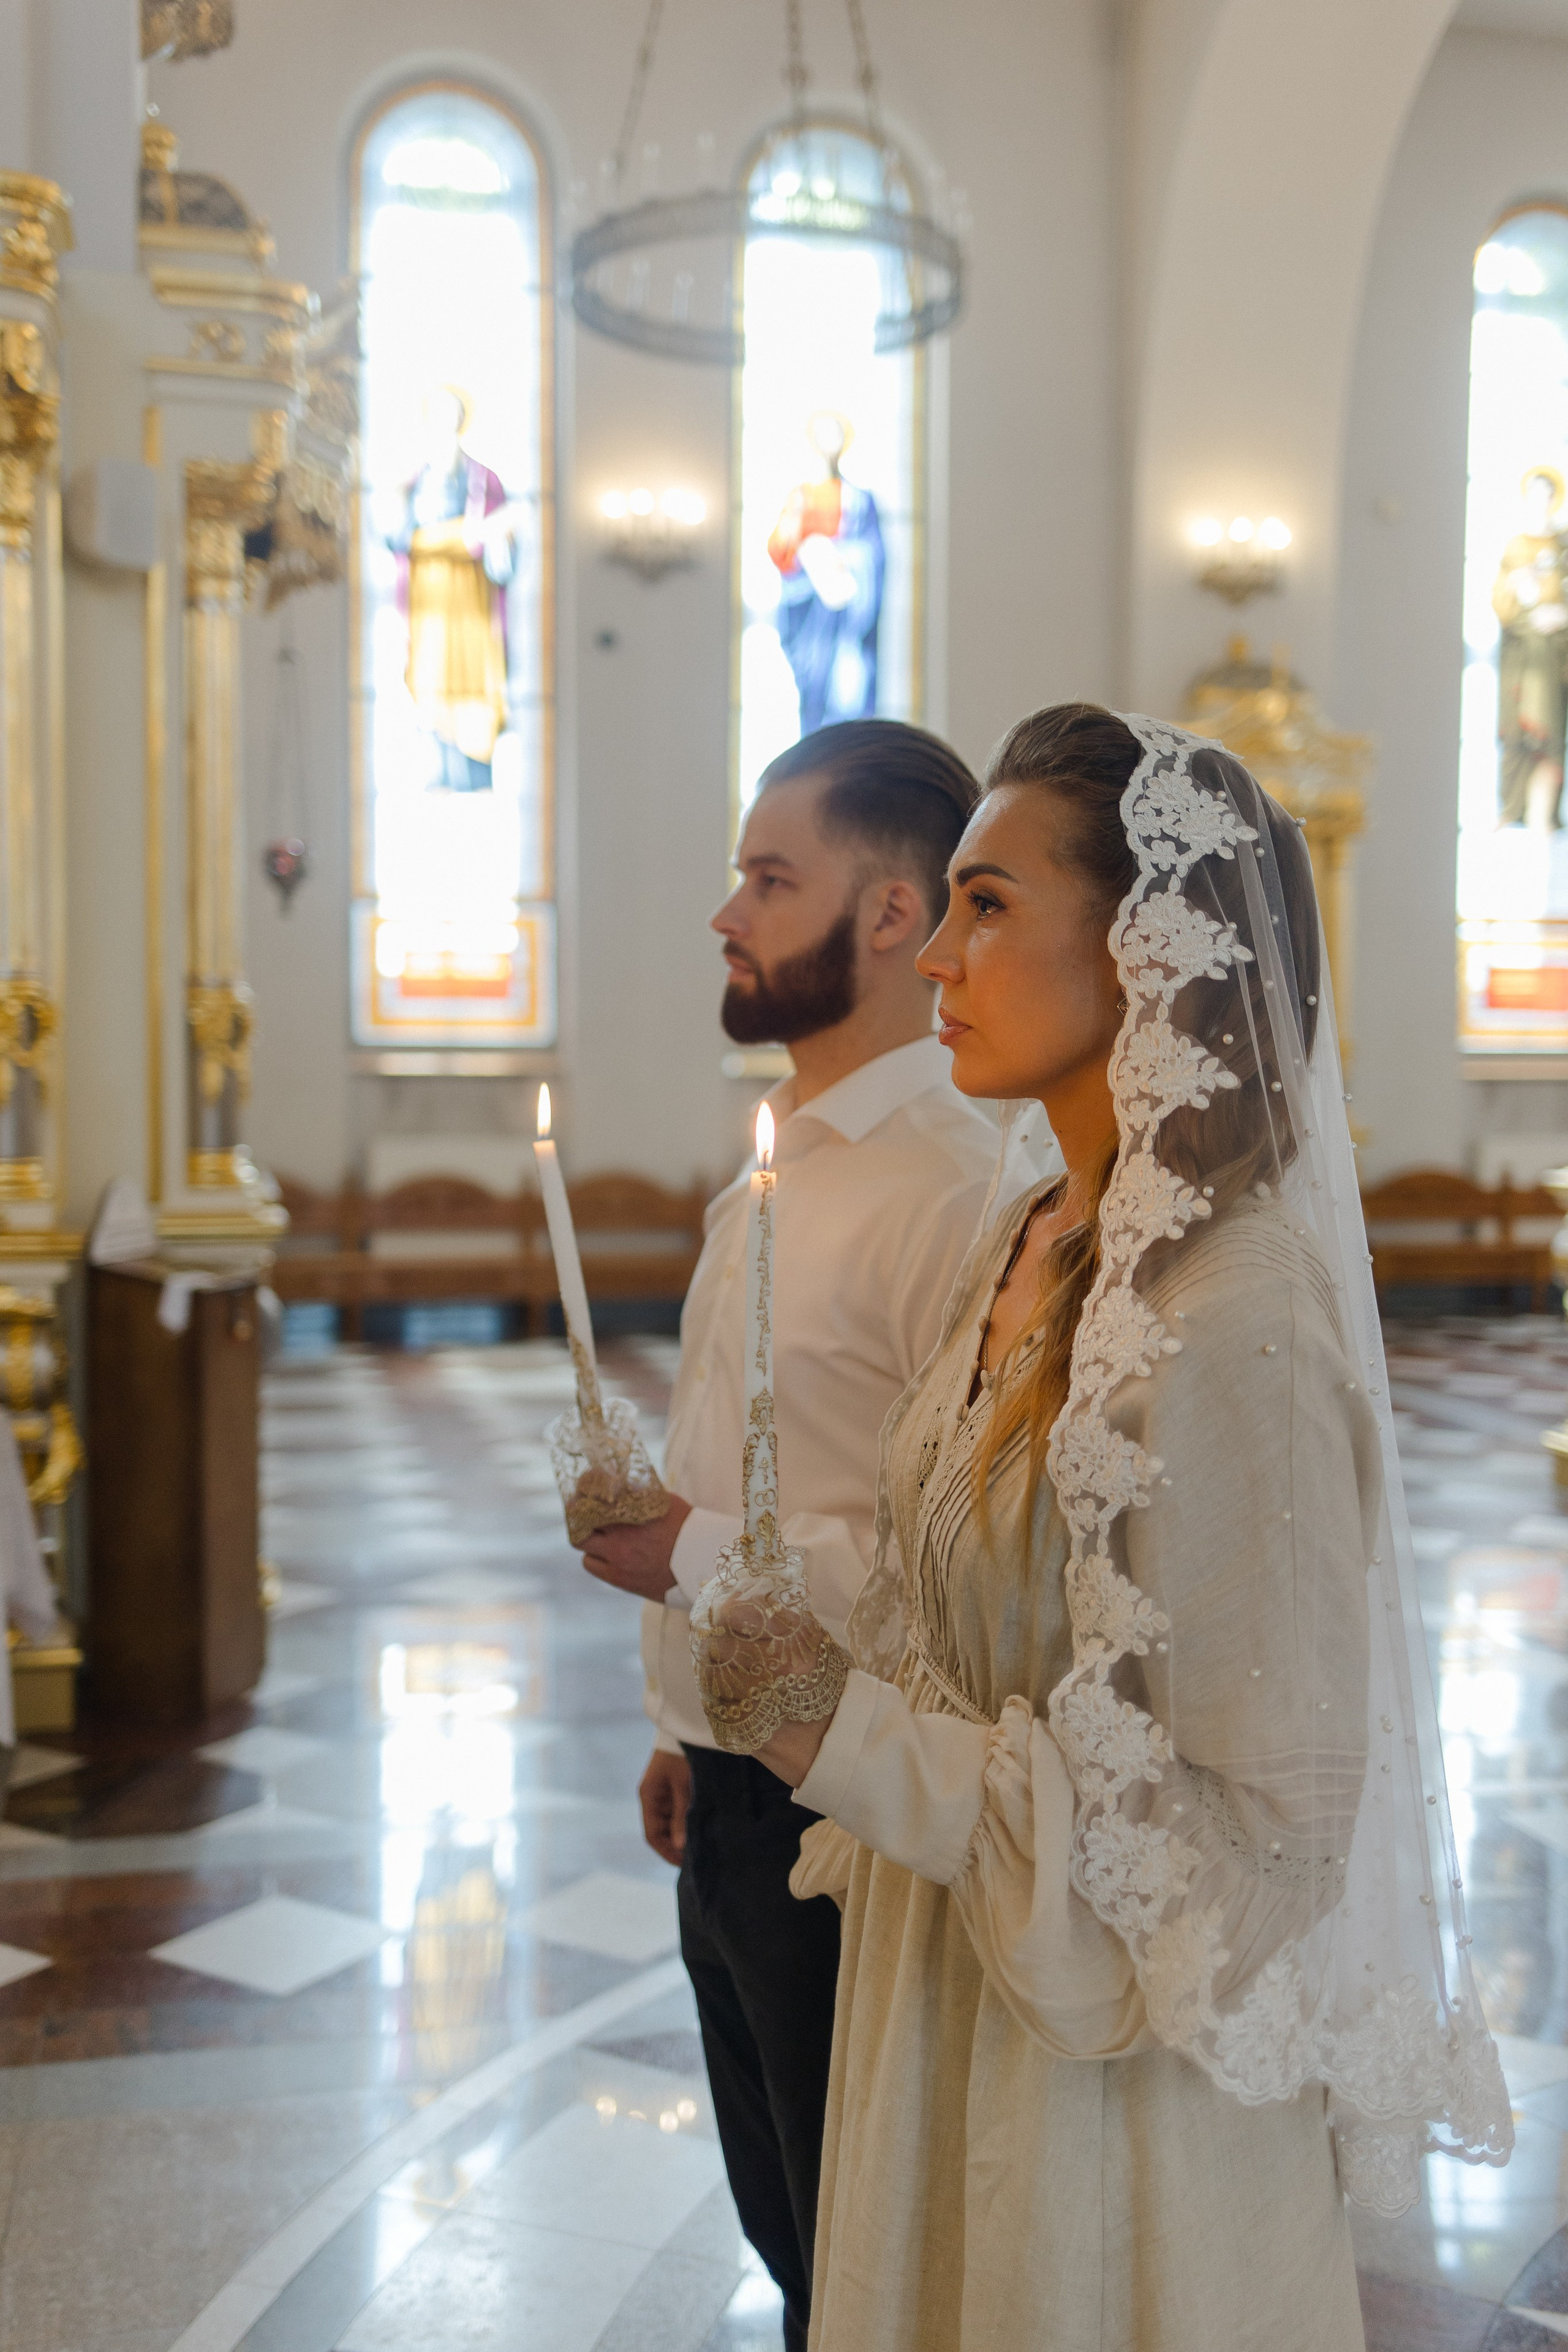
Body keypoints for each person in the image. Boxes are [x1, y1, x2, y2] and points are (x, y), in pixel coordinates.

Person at [691, 704, 1513, 2350]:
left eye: (989, 907)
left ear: (1147, 950)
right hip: (943, 2017)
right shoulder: (1034, 1231)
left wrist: (842, 1737)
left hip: (1112, 2122)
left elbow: (1246, 1839)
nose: (940, 961)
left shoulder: (1241, 1311)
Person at [579, 719, 1016, 2352]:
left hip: (858, 1794)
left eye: (771, 878)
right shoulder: (792, 1165)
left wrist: (689, 1556)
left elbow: (949, 1560)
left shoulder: (951, 1186)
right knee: (783, 2215)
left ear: (893, 917)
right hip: (739, 1767)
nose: (726, 913)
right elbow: (754, 1454)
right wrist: (684, 1714)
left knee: (864, 2241)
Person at [385, 385, 517, 793]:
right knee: (429, 674)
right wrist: (451, 537)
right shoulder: (413, 478)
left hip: (470, 596)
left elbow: (498, 532)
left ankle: (475, 770)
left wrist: (480, 537)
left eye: (452, 414)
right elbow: (398, 534)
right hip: (429, 593)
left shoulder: (482, 478)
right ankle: (436, 768)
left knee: (475, 676)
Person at [767, 412, 885, 737]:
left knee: (847, 686)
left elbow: (874, 554)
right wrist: (808, 549)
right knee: (814, 681)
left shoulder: (860, 499)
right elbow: (781, 553)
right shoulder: (801, 497)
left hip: (847, 609)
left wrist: (844, 557)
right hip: (809, 609)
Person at [1493, 464, 1568, 827]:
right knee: (1516, 730)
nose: (1542, 501)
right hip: (1521, 653)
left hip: (1553, 653)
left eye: (1548, 495)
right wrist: (1519, 592)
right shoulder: (1516, 546)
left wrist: (1559, 616)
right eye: (1535, 494)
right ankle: (1512, 807)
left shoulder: (1564, 544)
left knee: (1550, 733)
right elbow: (1502, 600)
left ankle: (1547, 812)